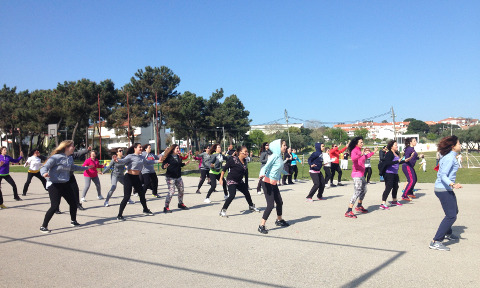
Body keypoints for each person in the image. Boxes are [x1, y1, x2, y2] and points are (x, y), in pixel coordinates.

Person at [39, 140, 92, 233]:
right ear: (66, 147)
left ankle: (73, 221)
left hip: (65, 184)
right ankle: (43, 226)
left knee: (73, 203)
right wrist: (44, 173)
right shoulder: (55, 158)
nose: (74, 148)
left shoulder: (70, 158)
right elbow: (44, 167)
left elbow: (73, 167)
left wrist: (86, 168)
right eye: (72, 146)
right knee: (54, 206)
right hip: (54, 184)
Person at [429, 135, 462, 251]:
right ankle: (436, 241)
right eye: (459, 144)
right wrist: (452, 184)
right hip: (443, 189)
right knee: (451, 215)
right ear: (453, 146)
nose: (460, 145)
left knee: (454, 211)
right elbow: (443, 175)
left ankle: (448, 233)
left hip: (445, 189)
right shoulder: (449, 158)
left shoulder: (449, 156)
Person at [114, 143, 159, 220]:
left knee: (141, 194)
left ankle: (145, 209)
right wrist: (117, 160)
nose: (141, 148)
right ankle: (119, 215)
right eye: (140, 147)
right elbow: (123, 161)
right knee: (127, 196)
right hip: (128, 177)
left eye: (141, 147)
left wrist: (158, 161)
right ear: (135, 148)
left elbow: (148, 162)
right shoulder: (130, 156)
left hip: (136, 177)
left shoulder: (142, 157)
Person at [258, 139, 290, 234]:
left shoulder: (279, 156)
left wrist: (285, 172)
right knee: (270, 205)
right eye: (284, 145)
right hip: (267, 182)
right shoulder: (274, 156)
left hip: (273, 182)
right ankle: (261, 225)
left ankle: (279, 220)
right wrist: (262, 173)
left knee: (279, 202)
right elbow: (265, 166)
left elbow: (278, 168)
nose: (285, 147)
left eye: (285, 145)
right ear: (278, 146)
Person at [219, 146, 260, 217]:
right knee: (232, 195)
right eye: (246, 151)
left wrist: (246, 184)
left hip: (239, 181)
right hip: (231, 180)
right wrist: (221, 178)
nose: (247, 153)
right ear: (240, 152)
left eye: (247, 151)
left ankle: (251, 206)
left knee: (247, 193)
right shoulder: (233, 159)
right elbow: (224, 169)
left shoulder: (245, 161)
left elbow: (246, 173)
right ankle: (223, 210)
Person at [344, 137, 378, 219]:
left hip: (361, 174)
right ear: (356, 143)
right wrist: (361, 154)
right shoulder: (355, 150)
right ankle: (349, 210)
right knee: (357, 191)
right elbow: (353, 158)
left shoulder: (359, 150)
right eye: (361, 142)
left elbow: (365, 157)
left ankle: (359, 205)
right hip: (356, 174)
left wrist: (373, 152)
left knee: (364, 190)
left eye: (362, 142)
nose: (362, 144)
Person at [378, 140, 411, 210]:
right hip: (389, 173)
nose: (397, 146)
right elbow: (387, 162)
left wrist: (404, 161)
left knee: (396, 186)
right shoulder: (389, 153)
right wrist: (397, 161)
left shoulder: (396, 153)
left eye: (397, 145)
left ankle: (394, 200)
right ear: (391, 146)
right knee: (388, 187)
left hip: (395, 173)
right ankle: (383, 203)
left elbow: (397, 163)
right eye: (395, 145)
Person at [161, 144, 190, 213]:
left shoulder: (178, 156)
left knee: (181, 190)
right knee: (171, 192)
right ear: (173, 149)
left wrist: (184, 164)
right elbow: (163, 166)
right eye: (177, 148)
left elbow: (179, 164)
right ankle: (166, 207)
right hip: (170, 177)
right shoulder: (168, 157)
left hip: (178, 176)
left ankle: (180, 203)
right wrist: (165, 166)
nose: (178, 150)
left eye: (178, 148)